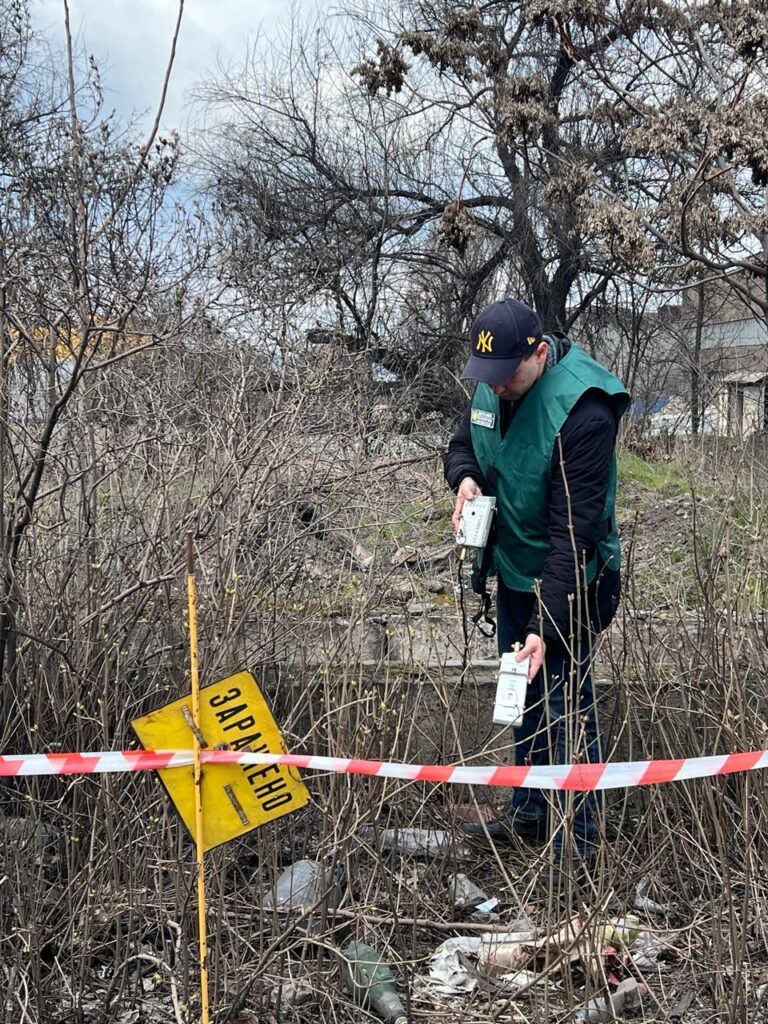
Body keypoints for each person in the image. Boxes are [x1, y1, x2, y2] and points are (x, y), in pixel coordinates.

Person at [444, 298, 629, 866]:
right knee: (520, 692)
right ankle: (529, 812)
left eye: (506, 376)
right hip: (515, 573)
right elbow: (459, 447)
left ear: (540, 353)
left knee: (566, 702)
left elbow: (574, 533)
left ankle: (582, 839)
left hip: (574, 581)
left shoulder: (584, 411)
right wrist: (466, 479)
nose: (495, 388)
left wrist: (543, 625)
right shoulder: (491, 384)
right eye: (487, 378)